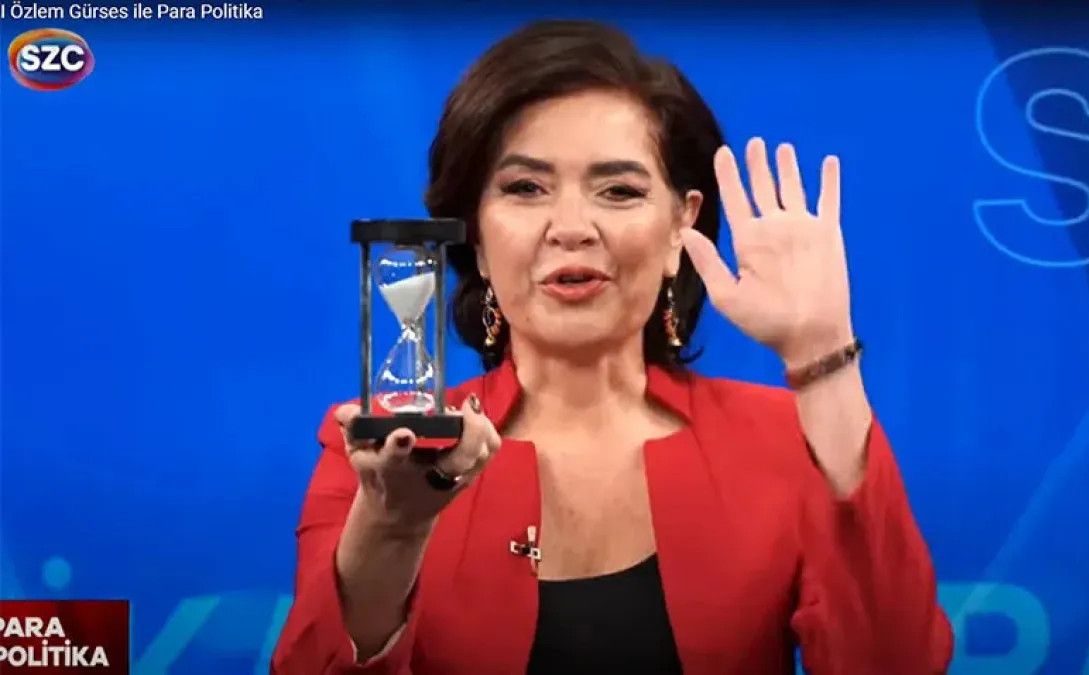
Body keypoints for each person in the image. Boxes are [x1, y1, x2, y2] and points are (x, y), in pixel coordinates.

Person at [270, 18, 953, 675]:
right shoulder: (387, 450)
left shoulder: (786, 438)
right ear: (474, 234)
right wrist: (392, 526)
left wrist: (824, 358)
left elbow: (897, 663)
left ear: (679, 227)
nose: (572, 226)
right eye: (526, 188)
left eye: (619, 190)